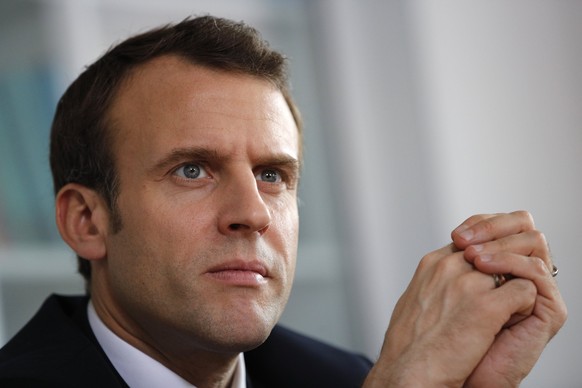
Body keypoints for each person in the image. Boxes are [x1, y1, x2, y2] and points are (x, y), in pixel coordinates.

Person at [0, 15, 566, 388]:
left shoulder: (343, 379)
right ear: (86, 221)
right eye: (192, 170)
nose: (253, 213)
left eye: (272, 175)